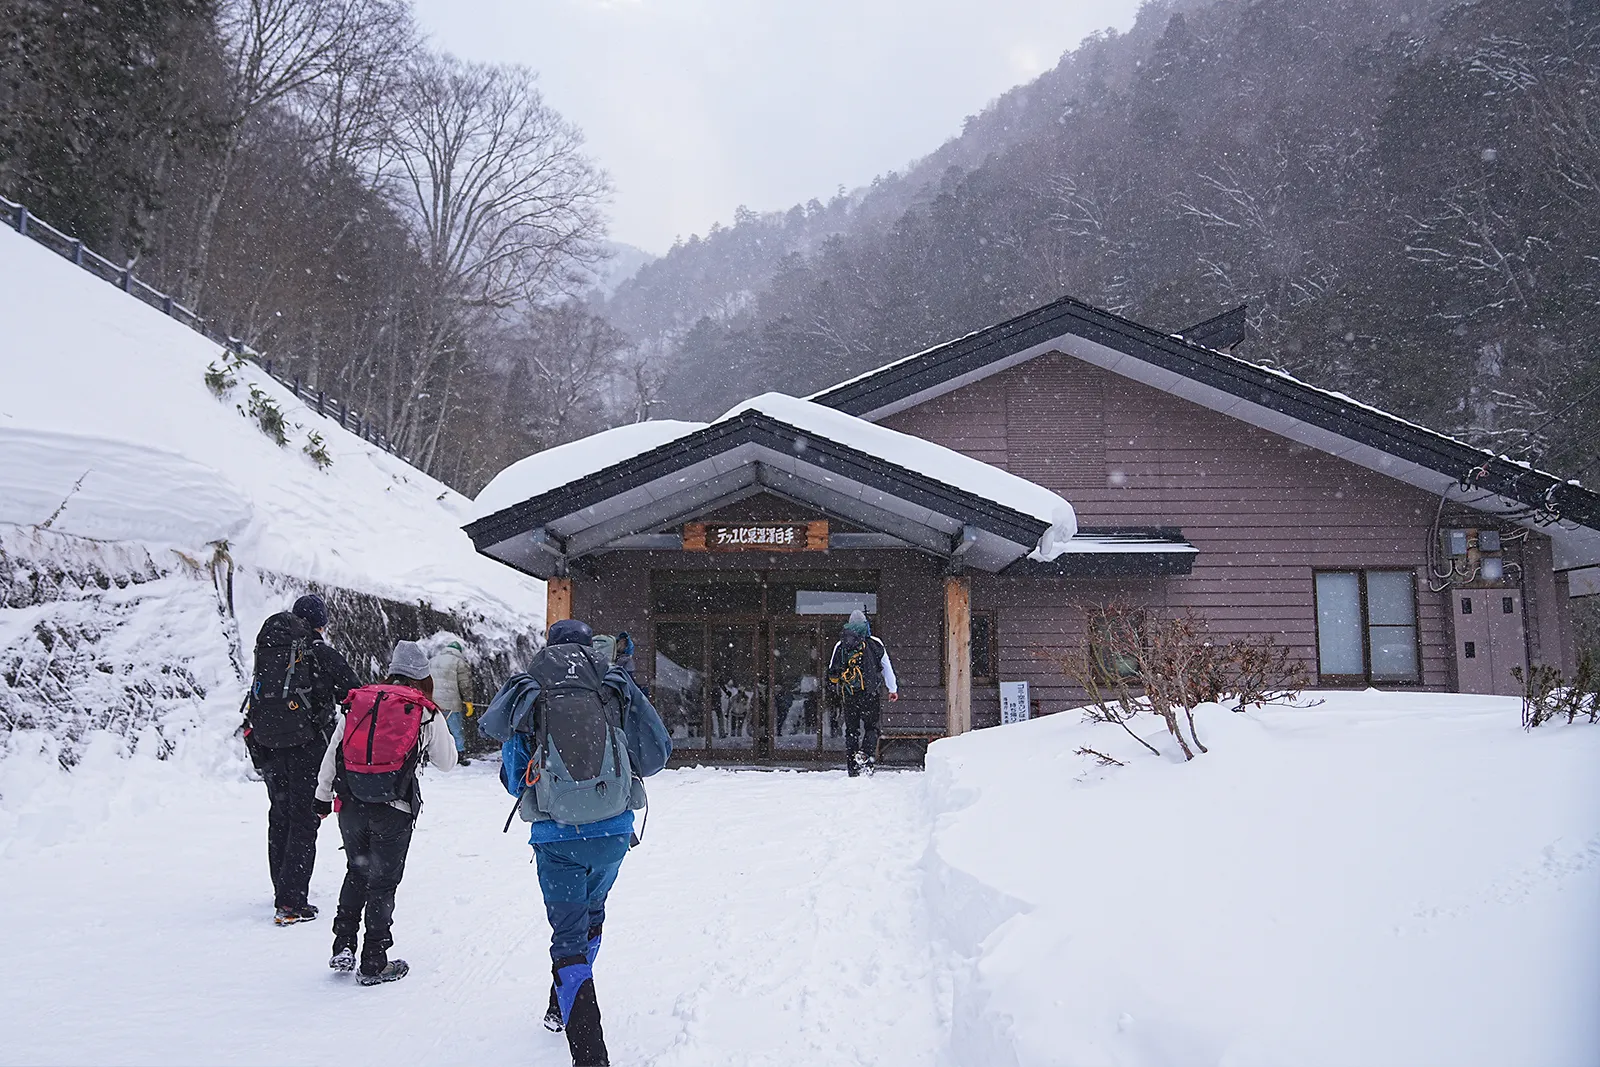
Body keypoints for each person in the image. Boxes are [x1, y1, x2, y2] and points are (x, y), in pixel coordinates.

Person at [481, 618, 671, 1067]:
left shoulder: (530, 690)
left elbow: (514, 778)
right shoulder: (612, 685)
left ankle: (590, 1057)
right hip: (612, 831)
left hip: (556, 836)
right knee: (592, 915)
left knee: (566, 940)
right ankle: (557, 1004)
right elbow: (656, 751)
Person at [313, 640, 457, 985]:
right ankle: (374, 961)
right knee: (383, 883)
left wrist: (321, 796)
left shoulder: (360, 702)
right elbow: (447, 762)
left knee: (357, 871)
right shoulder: (423, 710)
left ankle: (343, 944)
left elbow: (334, 750)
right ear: (422, 677)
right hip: (394, 807)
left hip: (351, 804)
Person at [244, 593, 360, 926]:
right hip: (308, 746)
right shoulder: (320, 652)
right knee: (304, 818)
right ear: (321, 623)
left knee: (279, 814)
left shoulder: (271, 653)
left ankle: (282, 888)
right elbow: (352, 693)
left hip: (269, 744)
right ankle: (292, 902)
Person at [825, 609, 898, 777]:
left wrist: (836, 687)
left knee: (851, 730)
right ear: (866, 624)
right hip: (870, 694)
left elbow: (832, 672)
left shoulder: (841, 644)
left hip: (849, 694)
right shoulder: (875, 643)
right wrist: (892, 689)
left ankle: (852, 768)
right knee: (872, 728)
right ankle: (865, 757)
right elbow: (887, 668)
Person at [428, 638, 474, 766]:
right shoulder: (459, 663)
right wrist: (468, 701)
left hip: (433, 704)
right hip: (451, 704)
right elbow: (465, 684)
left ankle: (432, 755)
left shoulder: (432, 661)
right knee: (456, 729)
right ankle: (460, 754)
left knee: (434, 730)